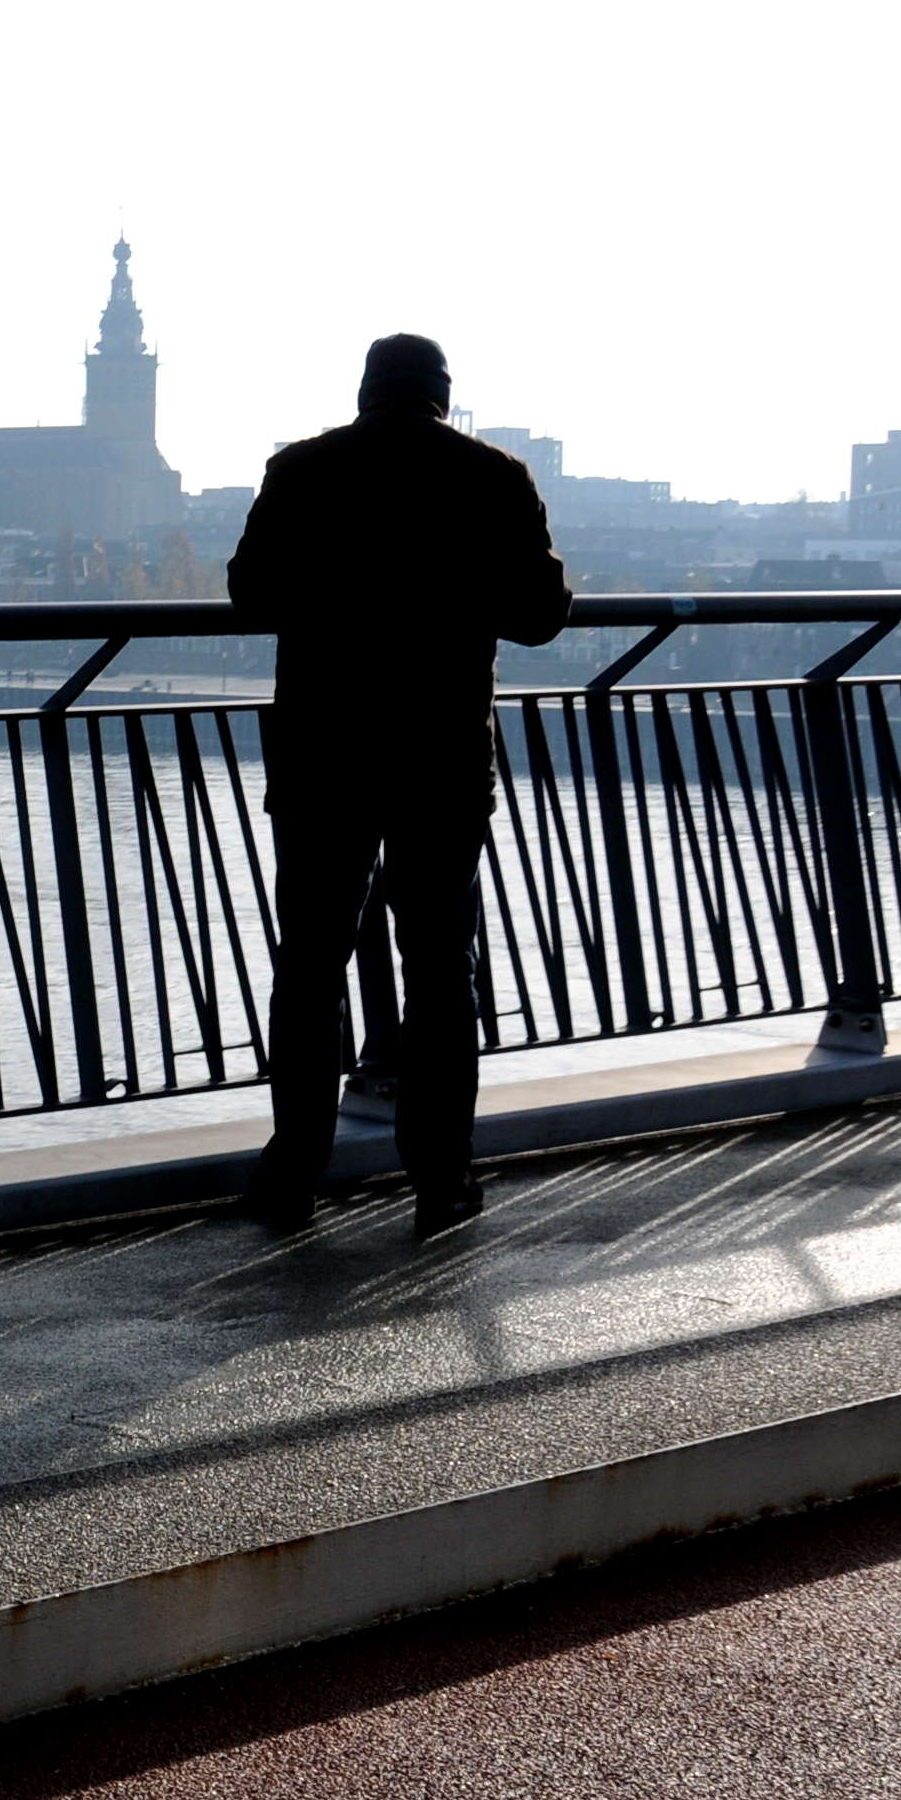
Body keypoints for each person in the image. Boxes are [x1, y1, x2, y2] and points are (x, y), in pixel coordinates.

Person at [226, 333, 570, 1238]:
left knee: (310, 965)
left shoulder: (302, 469)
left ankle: (293, 1172)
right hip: (440, 759)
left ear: (366, 391)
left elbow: (251, 592)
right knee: (440, 967)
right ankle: (441, 1177)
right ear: (441, 396)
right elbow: (541, 615)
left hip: (324, 754)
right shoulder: (494, 476)